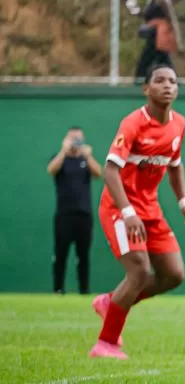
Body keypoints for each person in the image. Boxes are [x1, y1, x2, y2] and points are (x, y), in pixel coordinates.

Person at [89, 63, 185, 360]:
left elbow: (174, 166)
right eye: (160, 80)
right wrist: (127, 212)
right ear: (146, 89)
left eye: (173, 81)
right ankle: (105, 344)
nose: (167, 86)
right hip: (119, 207)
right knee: (138, 270)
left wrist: (184, 203)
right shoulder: (133, 123)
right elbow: (110, 171)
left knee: (174, 274)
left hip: (150, 209)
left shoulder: (179, 124)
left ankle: (110, 302)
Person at [47, 126, 102, 294]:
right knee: (61, 254)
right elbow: (51, 170)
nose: (76, 142)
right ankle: (58, 289)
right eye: (73, 138)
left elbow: (98, 173)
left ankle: (84, 290)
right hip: (64, 214)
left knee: (83, 255)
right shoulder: (60, 160)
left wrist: (88, 155)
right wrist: (64, 151)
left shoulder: (86, 160)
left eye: (79, 138)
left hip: (84, 215)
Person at [129, 0, 181, 83]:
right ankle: (176, 83)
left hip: (159, 37)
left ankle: (138, 83)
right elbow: (147, 17)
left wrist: (177, 39)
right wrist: (136, 11)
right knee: (164, 62)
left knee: (145, 63)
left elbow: (172, 19)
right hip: (152, 36)